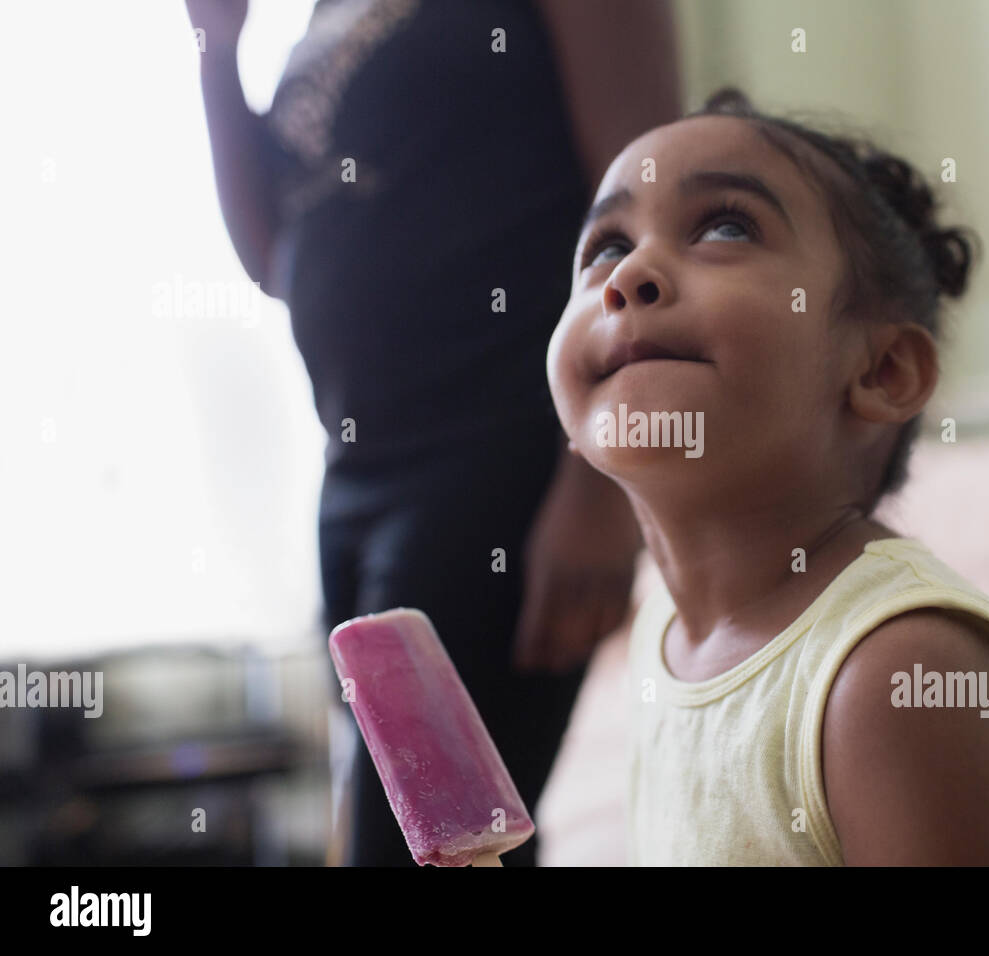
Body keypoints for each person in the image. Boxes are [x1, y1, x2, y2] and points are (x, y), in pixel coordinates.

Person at [185, 0, 680, 865]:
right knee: (455, 840)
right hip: (355, 473)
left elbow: (650, 206)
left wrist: (604, 476)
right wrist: (217, 47)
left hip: (501, 456)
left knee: (427, 847)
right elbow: (274, 258)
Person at [546, 87, 989, 864]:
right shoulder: (660, 636)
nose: (628, 274)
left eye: (725, 226)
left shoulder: (896, 674)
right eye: (604, 245)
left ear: (884, 369)